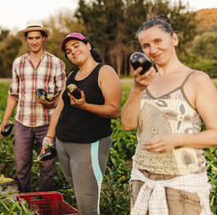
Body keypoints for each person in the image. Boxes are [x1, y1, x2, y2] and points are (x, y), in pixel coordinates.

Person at [121, 17, 217, 215]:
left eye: (158, 41)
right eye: (146, 45)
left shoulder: (197, 80)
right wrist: (137, 89)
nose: (152, 49)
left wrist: (177, 139)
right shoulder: (144, 81)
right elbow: (127, 124)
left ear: (174, 39)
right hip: (142, 180)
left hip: (182, 186)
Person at [40, 32, 121, 214]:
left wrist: (85, 106)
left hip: (89, 145)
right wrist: (48, 139)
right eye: (68, 51)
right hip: (63, 145)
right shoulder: (71, 76)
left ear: (88, 46)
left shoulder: (104, 72)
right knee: (79, 193)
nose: (73, 52)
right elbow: (60, 109)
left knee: (88, 204)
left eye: (76, 46)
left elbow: (114, 110)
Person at [0, 20, 66, 192]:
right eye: (31, 38)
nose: (34, 41)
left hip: (47, 124)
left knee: (47, 168)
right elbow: (13, 94)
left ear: (43, 38)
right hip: (23, 123)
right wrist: (5, 121)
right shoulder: (18, 63)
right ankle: (24, 203)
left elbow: (63, 96)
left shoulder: (56, 63)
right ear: (26, 40)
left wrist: (52, 102)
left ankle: (45, 202)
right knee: (21, 168)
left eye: (38, 37)